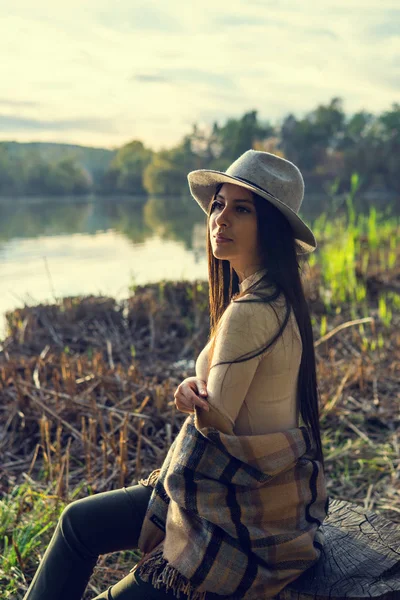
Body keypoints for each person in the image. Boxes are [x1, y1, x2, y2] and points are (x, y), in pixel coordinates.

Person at [23, 150, 328, 600]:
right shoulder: (277, 299)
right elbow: (243, 403)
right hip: (261, 494)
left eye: (242, 209)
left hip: (234, 512)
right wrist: (199, 390)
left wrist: (196, 405)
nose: (220, 219)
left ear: (273, 227)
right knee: (76, 522)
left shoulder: (250, 311)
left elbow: (219, 424)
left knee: (80, 532)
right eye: (218, 205)